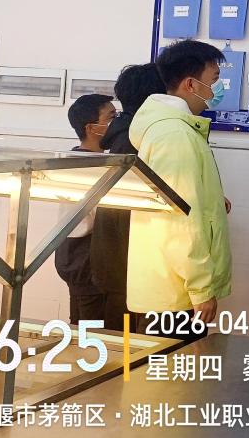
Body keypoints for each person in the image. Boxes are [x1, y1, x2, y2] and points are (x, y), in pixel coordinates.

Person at [127, 40, 232, 337]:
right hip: (175, 295)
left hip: (171, 288)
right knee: (173, 366)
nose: (218, 88)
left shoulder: (177, 129)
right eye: (214, 79)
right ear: (191, 84)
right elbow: (178, 219)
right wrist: (201, 289)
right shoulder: (174, 134)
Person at [91, 63, 166, 330]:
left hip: (120, 264)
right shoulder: (134, 140)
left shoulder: (126, 135)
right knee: (129, 345)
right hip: (127, 267)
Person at [56, 93, 115, 324]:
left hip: (74, 255)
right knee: (92, 330)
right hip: (84, 257)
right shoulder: (88, 167)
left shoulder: (75, 160)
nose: (117, 123)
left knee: (80, 324)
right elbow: (89, 221)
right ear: (91, 128)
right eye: (111, 117)